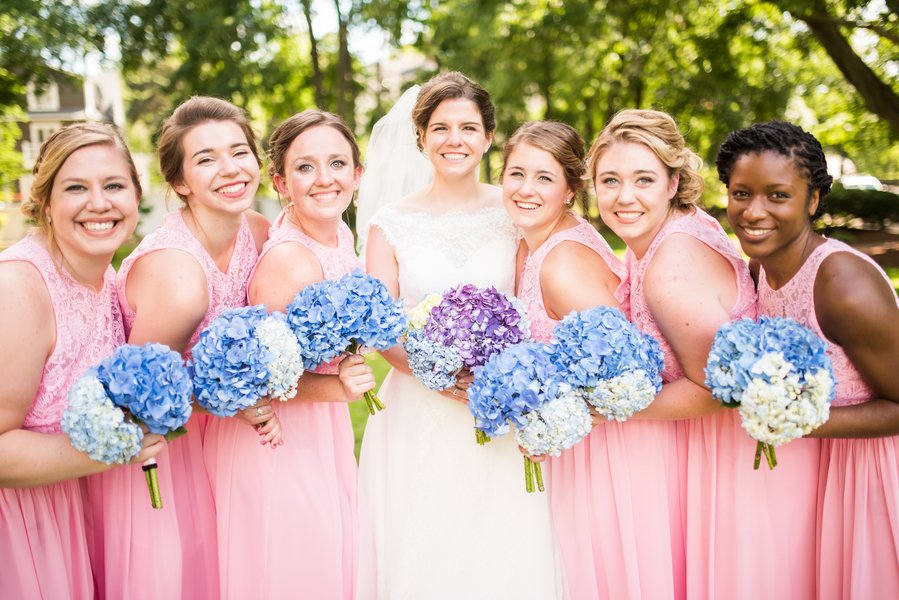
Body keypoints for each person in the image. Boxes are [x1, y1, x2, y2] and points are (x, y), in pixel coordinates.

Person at [356, 73, 568, 599]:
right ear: (421, 137)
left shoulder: (516, 210)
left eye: (469, 127)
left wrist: (502, 381)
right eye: (441, 127)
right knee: (424, 543)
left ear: (489, 136)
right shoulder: (389, 224)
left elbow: (534, 300)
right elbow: (380, 326)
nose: (455, 139)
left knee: (499, 544)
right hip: (418, 407)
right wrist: (438, 375)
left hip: (498, 406)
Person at [586, 109, 783, 600]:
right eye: (609, 180)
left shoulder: (670, 268)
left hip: (726, 458)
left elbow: (716, 390)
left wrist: (603, 407)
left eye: (644, 180)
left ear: (673, 182)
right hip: (700, 447)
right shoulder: (671, 229)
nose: (624, 197)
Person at [718, 121, 899, 599]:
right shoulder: (758, 269)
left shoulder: (843, 285)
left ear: (813, 200)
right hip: (809, 479)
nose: (753, 211)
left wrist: (788, 418)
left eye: (778, 196)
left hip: (873, 477)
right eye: (740, 193)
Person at [109, 96, 275, 600]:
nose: (231, 168)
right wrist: (231, 399)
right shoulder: (174, 272)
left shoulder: (259, 231)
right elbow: (139, 399)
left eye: (239, 151)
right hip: (170, 448)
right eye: (206, 159)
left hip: (232, 446)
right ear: (180, 182)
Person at [210, 109, 375, 600]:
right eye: (305, 167)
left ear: (357, 175)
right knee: (294, 571)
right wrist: (338, 387)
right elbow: (258, 375)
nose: (325, 179)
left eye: (337, 163)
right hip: (280, 440)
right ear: (281, 183)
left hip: (321, 431)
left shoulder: (340, 235)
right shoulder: (290, 261)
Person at [0, 123, 164, 599]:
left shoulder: (107, 278)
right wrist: (119, 447)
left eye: (114, 185)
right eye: (76, 188)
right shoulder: (20, 288)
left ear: (136, 196)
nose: (99, 203)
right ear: (46, 204)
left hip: (79, 513)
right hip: (21, 528)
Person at [501, 121, 629, 598]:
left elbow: (622, 378)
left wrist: (550, 423)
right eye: (516, 173)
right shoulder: (529, 243)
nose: (526, 189)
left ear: (571, 190)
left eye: (544, 178)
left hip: (596, 456)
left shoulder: (563, 263)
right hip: (568, 450)